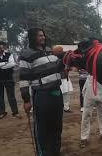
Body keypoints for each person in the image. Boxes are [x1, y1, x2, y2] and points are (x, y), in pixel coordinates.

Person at [19, 28, 64, 156]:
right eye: (40, 35)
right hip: (42, 97)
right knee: (44, 129)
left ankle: (56, 152)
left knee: (57, 127)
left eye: (43, 35)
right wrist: (26, 100)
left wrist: (64, 58)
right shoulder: (26, 55)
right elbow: (23, 79)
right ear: (33, 37)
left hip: (57, 94)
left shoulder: (50, 51)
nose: (43, 37)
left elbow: (58, 67)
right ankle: (44, 153)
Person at [80, 75, 102, 148]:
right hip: (90, 84)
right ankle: (84, 138)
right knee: (86, 114)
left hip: (101, 86)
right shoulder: (89, 64)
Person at [0, 41, 20, 119]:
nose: (1, 49)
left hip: (9, 79)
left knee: (11, 96)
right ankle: (2, 112)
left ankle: (15, 112)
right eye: (0, 48)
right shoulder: (8, 56)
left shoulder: (9, 54)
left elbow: (12, 64)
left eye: (2, 48)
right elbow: (9, 64)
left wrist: (0, 65)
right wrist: (5, 63)